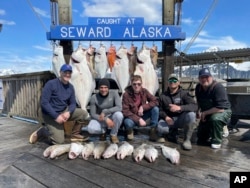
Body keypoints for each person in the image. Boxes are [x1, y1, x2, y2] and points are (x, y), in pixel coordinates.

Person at [29, 64, 89, 144]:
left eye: (69, 73)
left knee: (84, 114)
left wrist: (68, 112)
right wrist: (56, 116)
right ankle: (43, 131)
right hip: (50, 114)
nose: (67, 75)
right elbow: (44, 102)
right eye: (65, 72)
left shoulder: (71, 87)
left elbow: (73, 103)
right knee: (59, 141)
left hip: (63, 111)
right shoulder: (51, 84)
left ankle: (75, 134)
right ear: (60, 72)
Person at [158, 74, 198, 150]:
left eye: (175, 80)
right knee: (161, 129)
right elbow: (159, 109)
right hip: (168, 120)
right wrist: (166, 117)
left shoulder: (184, 94)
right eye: (170, 80)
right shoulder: (163, 96)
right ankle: (172, 132)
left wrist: (180, 108)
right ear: (168, 82)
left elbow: (194, 106)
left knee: (191, 115)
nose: (172, 82)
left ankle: (187, 140)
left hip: (180, 119)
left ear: (179, 83)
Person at [195, 68, 232, 149]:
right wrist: (198, 111)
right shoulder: (198, 87)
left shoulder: (218, 87)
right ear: (199, 79)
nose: (204, 79)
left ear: (211, 77)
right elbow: (198, 101)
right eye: (202, 77)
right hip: (209, 112)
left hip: (222, 111)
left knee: (215, 119)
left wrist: (204, 113)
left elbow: (220, 108)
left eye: (207, 77)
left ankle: (217, 141)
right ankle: (215, 129)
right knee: (201, 138)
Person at [84, 78, 123, 144]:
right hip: (100, 118)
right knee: (90, 128)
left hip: (111, 117)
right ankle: (103, 132)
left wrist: (105, 111)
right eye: (101, 87)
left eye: (105, 87)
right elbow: (93, 114)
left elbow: (119, 107)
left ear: (108, 88)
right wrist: (105, 119)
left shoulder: (114, 93)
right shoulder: (94, 97)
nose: (103, 90)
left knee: (119, 115)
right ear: (99, 88)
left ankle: (113, 134)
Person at [122, 75, 160, 142]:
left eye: (139, 84)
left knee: (155, 109)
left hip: (142, 115)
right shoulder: (126, 94)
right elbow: (125, 111)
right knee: (127, 122)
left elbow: (156, 101)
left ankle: (153, 131)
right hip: (132, 117)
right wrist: (138, 119)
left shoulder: (144, 91)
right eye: (134, 84)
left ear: (141, 84)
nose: (136, 86)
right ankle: (130, 131)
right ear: (131, 84)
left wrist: (143, 107)